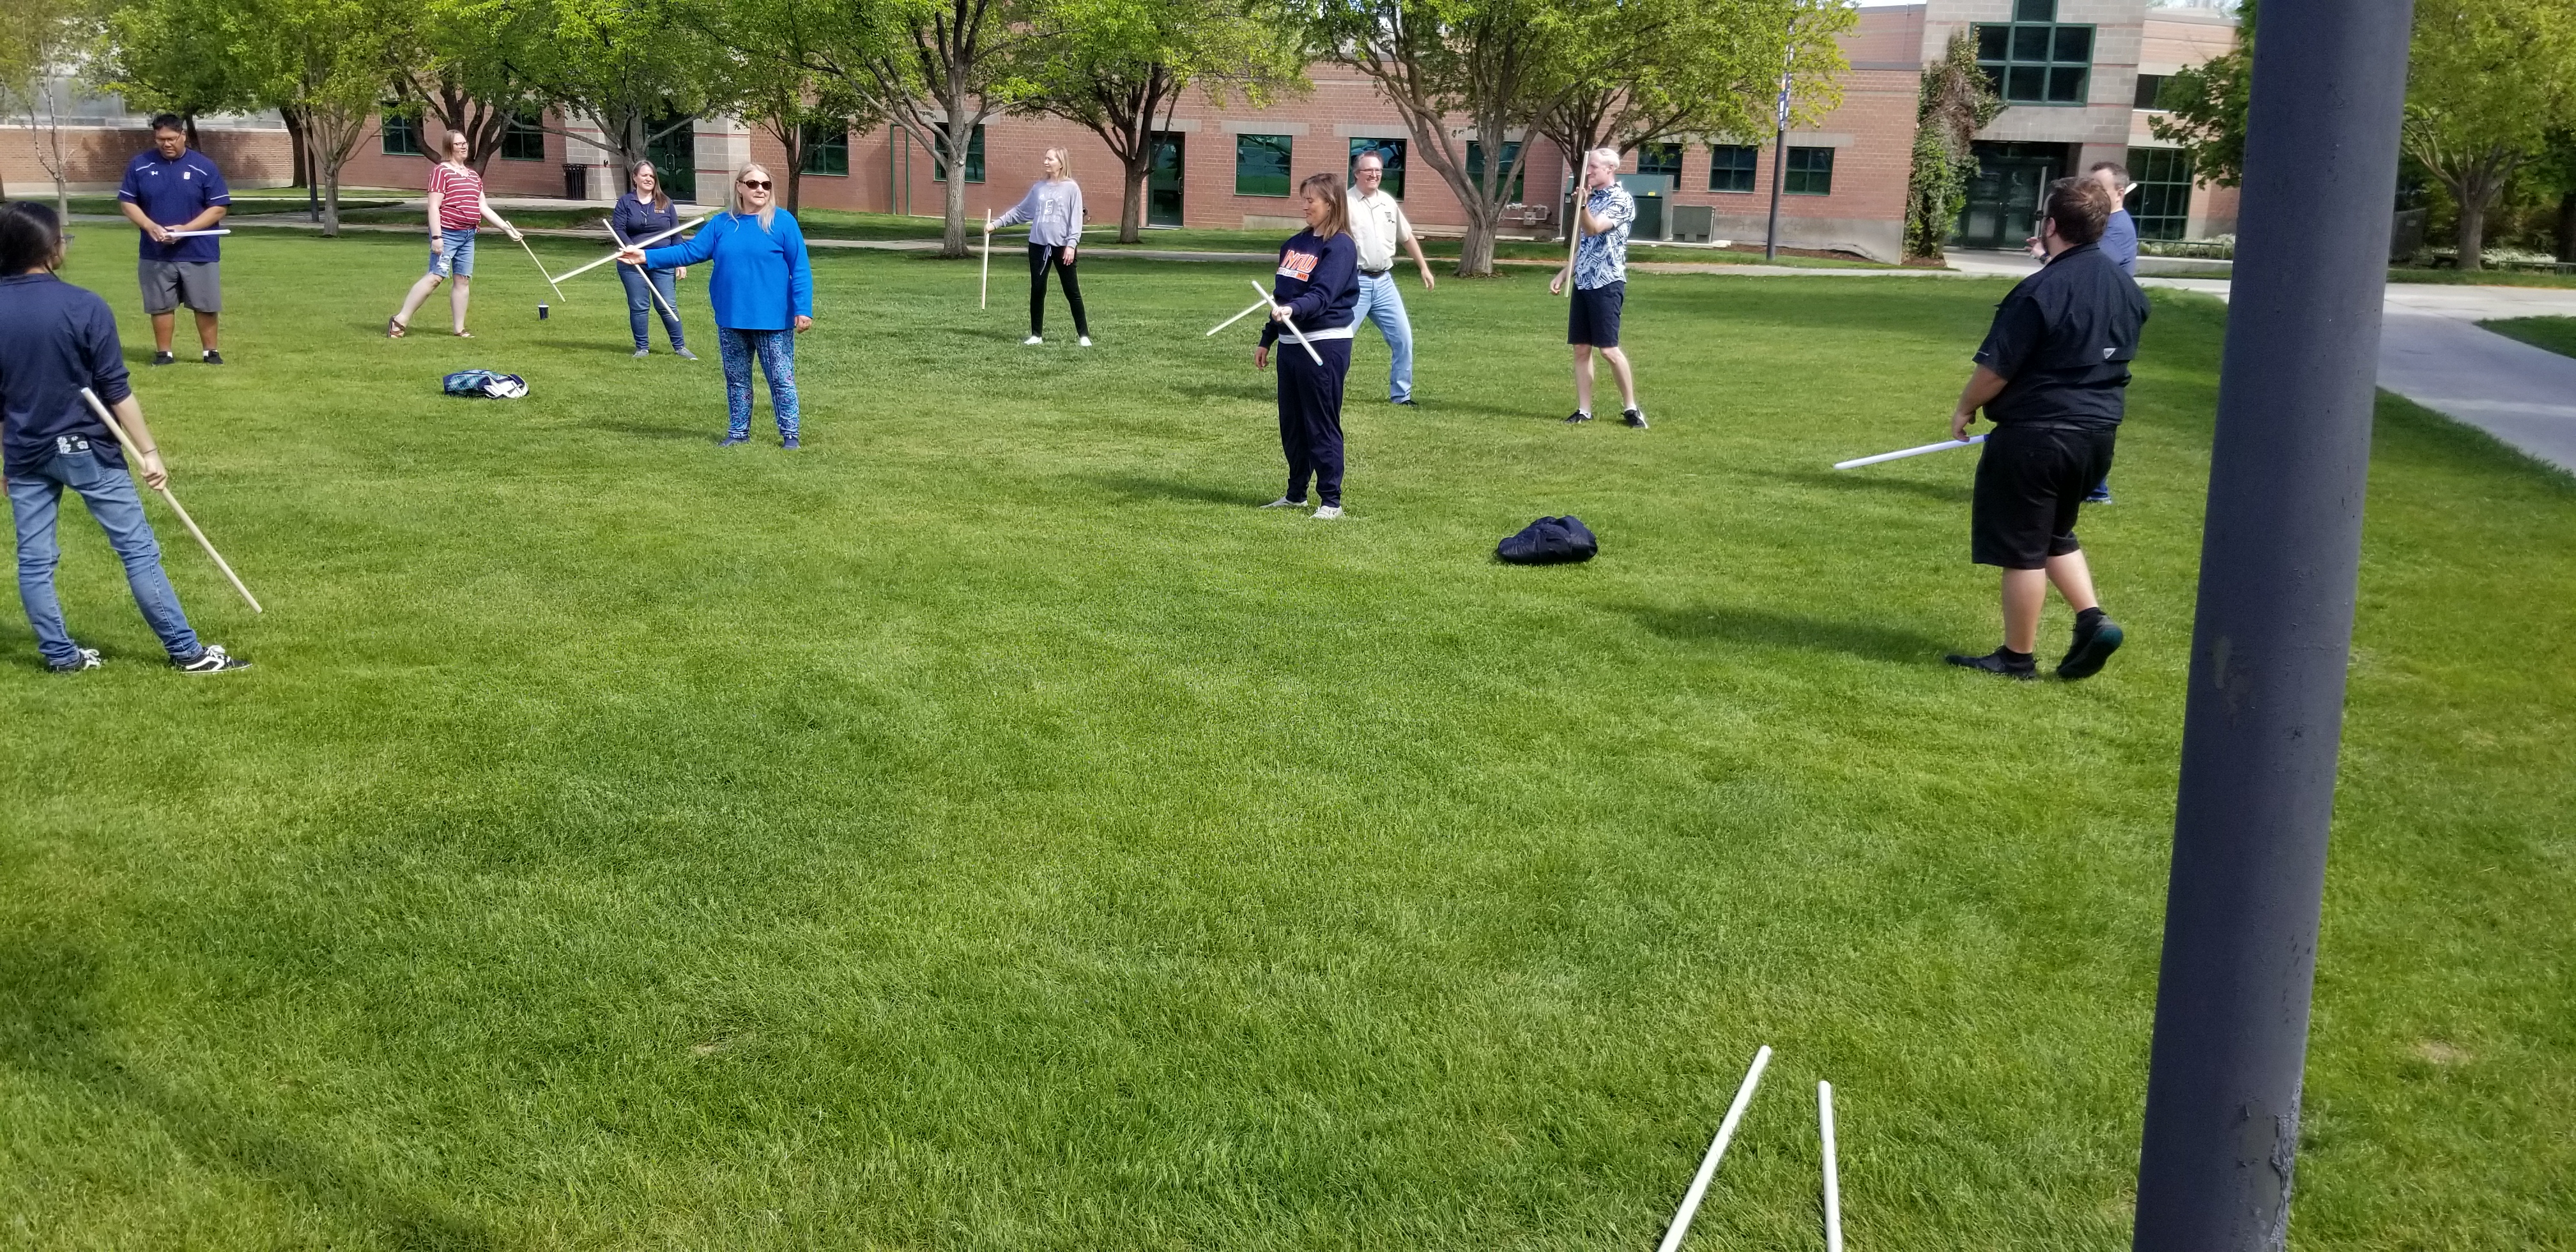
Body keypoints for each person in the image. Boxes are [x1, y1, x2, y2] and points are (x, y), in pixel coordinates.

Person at [0, 202, 248, 674]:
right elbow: (116, 389)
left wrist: (7, 461)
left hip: (26, 450)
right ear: (50, 249)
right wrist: (149, 453)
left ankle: (61, 657)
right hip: (88, 448)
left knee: (34, 560)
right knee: (138, 551)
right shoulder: (83, 305)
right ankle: (187, 653)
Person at [1942, 176, 2149, 682]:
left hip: (2038, 436)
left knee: (2023, 550)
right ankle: (2092, 620)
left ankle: (2017, 659)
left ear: (2051, 226)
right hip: (2097, 435)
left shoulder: (2042, 289)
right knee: (2055, 532)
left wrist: (1965, 407)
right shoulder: (2126, 287)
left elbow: (1997, 368)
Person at [619, 162, 814, 448]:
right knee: (737, 380)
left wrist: (803, 309)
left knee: (780, 379)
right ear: (740, 187)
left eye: (766, 185)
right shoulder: (722, 224)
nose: (760, 189)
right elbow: (690, 251)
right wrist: (646, 257)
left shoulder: (783, 222)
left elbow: (800, 268)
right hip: (731, 316)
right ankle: (738, 433)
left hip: (773, 319)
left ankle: (790, 435)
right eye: (753, 184)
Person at [1254, 173, 1361, 520]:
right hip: (1290, 346)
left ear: (1331, 203)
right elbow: (1279, 297)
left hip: (1324, 345)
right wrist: (1268, 338)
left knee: (1320, 423)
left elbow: (1323, 295)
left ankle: (1331, 501)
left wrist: (1294, 310)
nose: (1304, 206)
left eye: (1310, 200)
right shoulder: (1294, 244)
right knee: (1292, 424)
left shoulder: (1340, 247)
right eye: (1304, 199)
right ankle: (1295, 494)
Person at [387, 130, 524, 339]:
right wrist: (437, 237)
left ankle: (459, 329)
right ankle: (400, 320)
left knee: (463, 280)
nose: (464, 147)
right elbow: (434, 207)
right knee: (436, 277)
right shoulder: (441, 171)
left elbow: (483, 207)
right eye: (458, 144)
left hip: (468, 235)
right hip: (447, 234)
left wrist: (507, 229)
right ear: (449, 147)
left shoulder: (473, 176)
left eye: (465, 143)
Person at [118, 114, 230, 366]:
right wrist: (150, 226)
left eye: (171, 138)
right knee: (160, 305)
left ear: (183, 136)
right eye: (161, 139)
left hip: (199, 251)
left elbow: (219, 208)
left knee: (205, 304)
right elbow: (127, 203)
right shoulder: (140, 165)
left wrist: (185, 230)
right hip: (155, 252)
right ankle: (164, 353)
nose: (166, 144)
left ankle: (210, 352)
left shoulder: (204, 166)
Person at [1550, 148, 1645, 429]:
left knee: (1608, 350)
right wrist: (1565, 274)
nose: (1588, 171)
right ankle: (1584, 410)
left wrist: (1581, 206)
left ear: (1610, 169)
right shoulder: (1593, 198)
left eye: (1593, 167)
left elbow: (1594, 229)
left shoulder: (1621, 200)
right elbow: (1585, 246)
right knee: (1581, 348)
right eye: (1588, 167)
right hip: (1584, 281)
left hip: (1607, 282)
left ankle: (1631, 409)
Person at [1344, 151, 1436, 405]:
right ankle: (1328, 390)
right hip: (1355, 283)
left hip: (1384, 283)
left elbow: (1406, 237)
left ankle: (1401, 396)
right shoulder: (1345, 203)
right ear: (1356, 173)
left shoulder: (1387, 202)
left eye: (1378, 170)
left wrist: (1424, 268)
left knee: (1403, 339)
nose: (1374, 175)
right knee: (1340, 339)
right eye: (1368, 170)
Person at [990, 148, 1089, 346]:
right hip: (1038, 246)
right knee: (1037, 289)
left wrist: (1071, 244)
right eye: (1045, 158)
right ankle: (1036, 335)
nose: (1046, 162)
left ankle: (1083, 335)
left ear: (1061, 163)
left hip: (1063, 247)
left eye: (1050, 159)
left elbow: (1076, 219)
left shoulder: (1072, 188)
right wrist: (996, 224)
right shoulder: (1039, 188)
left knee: (1072, 290)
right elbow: (1021, 211)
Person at [2084, 160, 2138, 505]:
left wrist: (2047, 257)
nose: (2091, 194)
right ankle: (2090, 487)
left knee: (2092, 404)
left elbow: (2091, 269)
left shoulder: (2117, 228)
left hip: (2107, 332)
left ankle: (2096, 489)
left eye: (2098, 188)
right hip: (2097, 327)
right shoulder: (2108, 225)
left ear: (2119, 193)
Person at [611, 161, 696, 359]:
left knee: (667, 305)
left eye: (652, 176)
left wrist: (680, 261)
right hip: (632, 262)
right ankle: (642, 348)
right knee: (639, 306)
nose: (649, 179)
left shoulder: (665, 202)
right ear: (635, 178)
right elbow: (619, 229)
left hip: (662, 260)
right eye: (644, 175)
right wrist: (629, 246)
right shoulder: (625, 202)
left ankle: (680, 347)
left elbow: (676, 234)